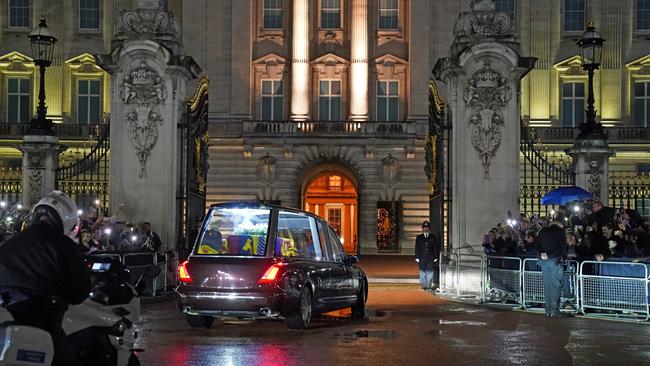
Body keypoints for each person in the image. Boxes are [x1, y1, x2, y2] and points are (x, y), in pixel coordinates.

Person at [0, 191, 91, 366]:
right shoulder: (63, 246)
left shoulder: (9, 243)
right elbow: (79, 293)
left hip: (7, 324)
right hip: (42, 325)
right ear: (67, 219)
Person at [535, 219, 568, 318]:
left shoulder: (542, 231)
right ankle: (554, 310)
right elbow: (562, 248)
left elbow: (536, 246)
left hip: (543, 261)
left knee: (547, 285)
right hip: (554, 260)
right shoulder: (560, 232)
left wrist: (542, 255)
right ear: (559, 224)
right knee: (555, 286)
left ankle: (548, 310)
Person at [414, 221, 440, 291]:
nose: (426, 229)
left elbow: (435, 248)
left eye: (427, 228)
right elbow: (417, 247)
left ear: (429, 229)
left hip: (430, 257)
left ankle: (428, 285)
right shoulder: (419, 237)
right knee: (422, 272)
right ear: (422, 229)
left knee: (430, 272)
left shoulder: (433, 237)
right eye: (424, 228)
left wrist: (435, 257)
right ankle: (423, 285)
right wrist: (416, 256)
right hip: (422, 257)